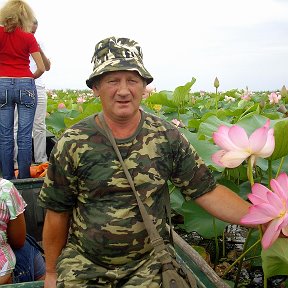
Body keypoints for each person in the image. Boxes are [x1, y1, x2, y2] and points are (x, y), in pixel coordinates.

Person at [38, 37, 252, 288]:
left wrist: (264, 217)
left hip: (148, 262)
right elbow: (57, 213)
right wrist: (51, 272)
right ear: (96, 87)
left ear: (143, 86)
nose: (124, 90)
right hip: (84, 263)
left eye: (132, 80)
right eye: (112, 81)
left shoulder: (166, 136)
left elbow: (208, 192)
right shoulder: (72, 141)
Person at [0, 0, 45, 180]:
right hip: (25, 83)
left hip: (2, 84)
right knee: (25, 136)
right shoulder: (28, 37)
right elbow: (41, 67)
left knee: (5, 135)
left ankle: (8, 179)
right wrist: (29, 79)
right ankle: (25, 178)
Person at [14, 18, 51, 167]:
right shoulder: (13, 42)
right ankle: (15, 162)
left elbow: (46, 67)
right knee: (16, 125)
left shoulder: (38, 43)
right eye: (30, 30)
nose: (32, 33)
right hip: (19, 85)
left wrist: (37, 46)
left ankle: (41, 159)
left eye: (34, 31)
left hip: (38, 87)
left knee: (39, 125)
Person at [0, 177, 46, 284]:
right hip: (4, 277)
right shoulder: (4, 188)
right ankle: (44, 278)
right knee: (26, 244)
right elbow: (18, 241)